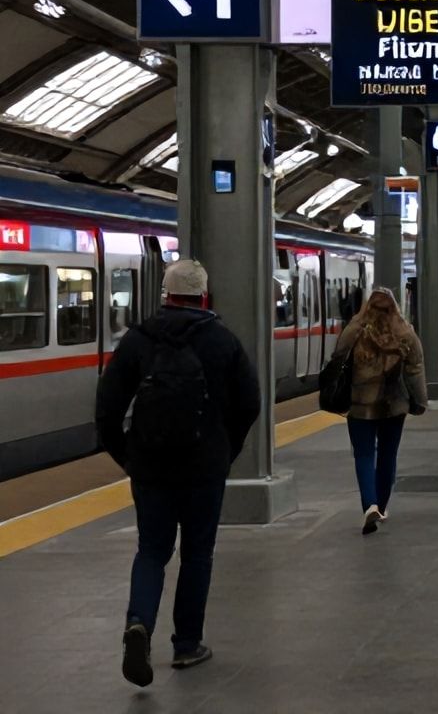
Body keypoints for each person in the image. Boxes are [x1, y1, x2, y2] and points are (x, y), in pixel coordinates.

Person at [96, 260, 259, 686]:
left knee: (151, 551)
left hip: (150, 467)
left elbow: (106, 411)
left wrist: (128, 457)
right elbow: (251, 403)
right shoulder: (222, 340)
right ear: (204, 296)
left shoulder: (138, 340)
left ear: (165, 295)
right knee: (197, 554)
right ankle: (187, 645)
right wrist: (226, 450)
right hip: (205, 467)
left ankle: (138, 624)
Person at [335, 287, 427, 533]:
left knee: (364, 455)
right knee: (388, 455)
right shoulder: (405, 333)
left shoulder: (354, 331)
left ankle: (370, 505)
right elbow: (415, 370)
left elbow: (337, 360)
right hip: (393, 406)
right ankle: (382, 507)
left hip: (360, 404)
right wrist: (420, 401)